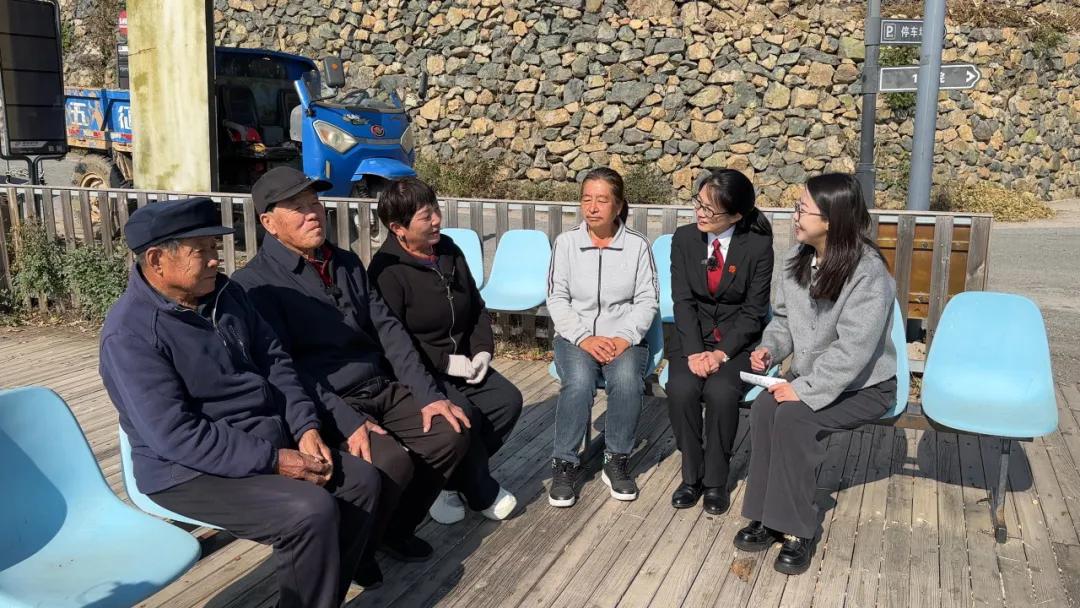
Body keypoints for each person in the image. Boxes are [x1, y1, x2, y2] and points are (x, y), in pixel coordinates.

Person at [99, 197, 381, 608]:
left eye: (215, 246)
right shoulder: (131, 334)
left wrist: (305, 426)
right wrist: (275, 460)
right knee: (309, 511)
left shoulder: (226, 294)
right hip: (184, 471)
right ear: (157, 260)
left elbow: (276, 361)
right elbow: (177, 436)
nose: (216, 259)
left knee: (361, 482)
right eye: (202, 251)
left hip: (265, 438)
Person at [232, 167, 470, 588]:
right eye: (298, 208)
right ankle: (357, 547)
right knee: (389, 462)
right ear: (268, 222)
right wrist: (346, 420)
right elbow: (284, 369)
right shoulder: (254, 285)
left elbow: (388, 331)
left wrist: (427, 393)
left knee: (448, 433)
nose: (313, 213)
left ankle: (391, 531)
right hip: (326, 401)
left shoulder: (343, 262)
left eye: (315, 203)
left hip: (377, 383)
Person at [734, 173, 897, 575]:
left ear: (831, 218)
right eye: (797, 207)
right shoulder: (797, 259)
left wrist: (803, 389)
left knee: (793, 417)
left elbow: (853, 350)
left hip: (866, 385)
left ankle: (797, 527)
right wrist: (770, 350)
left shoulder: (868, 272)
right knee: (764, 411)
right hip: (811, 377)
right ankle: (765, 515)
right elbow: (783, 320)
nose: (795, 216)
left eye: (802, 209)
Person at [368, 177, 523, 525]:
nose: (437, 220)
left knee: (507, 400)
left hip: (467, 362)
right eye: (426, 216)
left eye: (435, 209)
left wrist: (482, 350)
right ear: (398, 228)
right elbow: (394, 341)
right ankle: (480, 490)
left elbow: (477, 305)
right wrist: (445, 363)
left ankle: (447, 479)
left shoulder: (448, 249)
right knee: (462, 417)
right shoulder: (386, 272)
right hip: (421, 372)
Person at [545, 167, 659, 508]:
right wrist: (584, 338)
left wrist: (624, 338)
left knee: (625, 380)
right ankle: (565, 463)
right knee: (579, 382)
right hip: (575, 339)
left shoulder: (637, 246)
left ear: (619, 205)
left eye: (602, 200)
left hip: (624, 339)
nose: (592, 207)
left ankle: (616, 459)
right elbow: (556, 298)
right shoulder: (566, 243)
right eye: (586, 199)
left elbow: (648, 299)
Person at [665, 168, 773, 515]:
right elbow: (682, 301)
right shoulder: (684, 239)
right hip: (691, 338)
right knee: (681, 388)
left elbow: (754, 311)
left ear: (736, 215)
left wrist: (721, 354)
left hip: (735, 342)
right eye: (698, 203)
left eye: (710, 209)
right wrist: (695, 352)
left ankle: (715, 480)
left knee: (721, 392)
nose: (700, 213)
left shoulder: (757, 247)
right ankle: (691, 475)